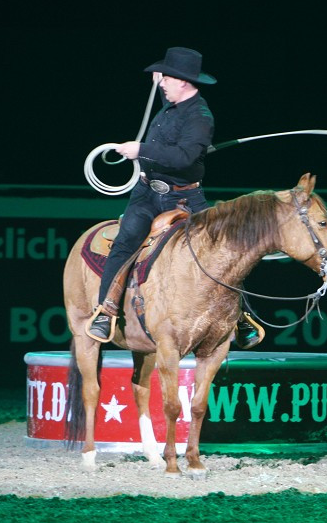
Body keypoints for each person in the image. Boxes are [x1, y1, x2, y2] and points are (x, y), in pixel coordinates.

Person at [87, 47, 260, 348]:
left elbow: (183, 157)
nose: (161, 82)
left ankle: (240, 317)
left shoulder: (200, 117)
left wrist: (141, 150)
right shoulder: (169, 103)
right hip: (146, 193)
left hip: (183, 198)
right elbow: (167, 135)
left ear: (182, 81)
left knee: (219, 249)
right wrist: (160, 83)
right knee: (126, 241)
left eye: (166, 77)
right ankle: (106, 310)